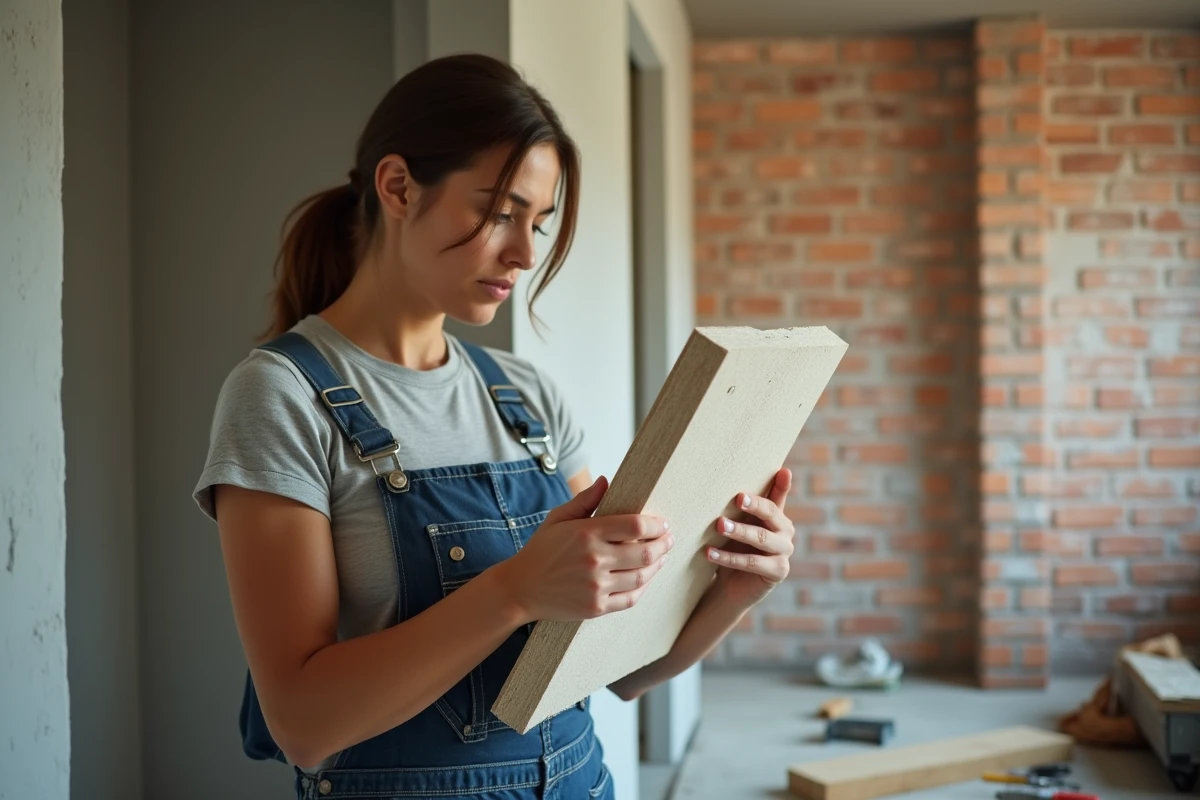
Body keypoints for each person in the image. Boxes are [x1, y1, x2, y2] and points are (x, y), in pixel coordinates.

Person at [193, 53, 797, 800]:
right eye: (501, 211)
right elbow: (303, 723)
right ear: (398, 187)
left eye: (538, 222)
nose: (524, 253)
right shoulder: (279, 395)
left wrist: (733, 591)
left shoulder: (527, 394)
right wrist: (512, 592)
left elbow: (622, 672)